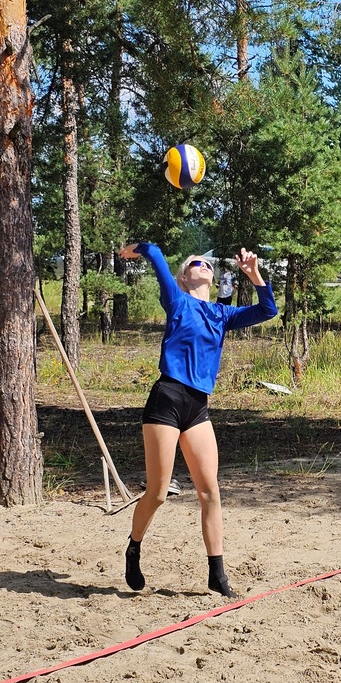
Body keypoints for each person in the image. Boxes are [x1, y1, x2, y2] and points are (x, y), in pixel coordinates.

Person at [118, 242, 277, 598]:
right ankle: (134, 547)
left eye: (207, 263)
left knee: (210, 492)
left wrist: (253, 274)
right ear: (184, 277)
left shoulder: (222, 315)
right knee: (157, 494)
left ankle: (217, 576)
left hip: (197, 407)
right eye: (195, 262)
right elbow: (156, 252)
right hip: (166, 400)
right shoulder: (177, 301)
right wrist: (135, 249)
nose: (203, 265)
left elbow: (268, 309)